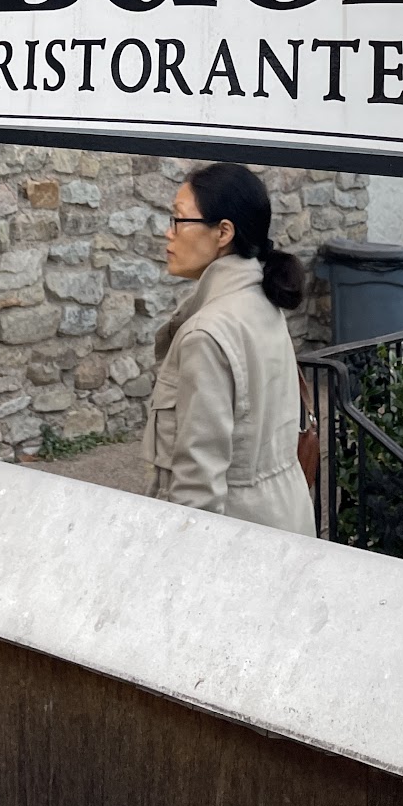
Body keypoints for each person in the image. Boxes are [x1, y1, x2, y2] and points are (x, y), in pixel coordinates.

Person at [142, 162, 315, 536]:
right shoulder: (261, 299)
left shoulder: (207, 333)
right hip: (285, 521)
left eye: (178, 220)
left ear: (223, 232)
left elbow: (198, 490)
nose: (168, 233)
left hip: (237, 538)